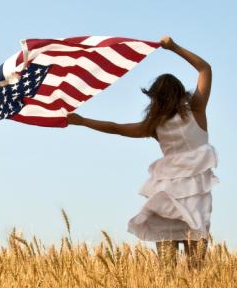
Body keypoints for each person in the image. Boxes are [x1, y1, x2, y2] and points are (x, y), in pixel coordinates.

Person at [67, 36, 218, 268]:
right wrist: (174, 47)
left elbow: (116, 128)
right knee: (197, 270)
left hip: (165, 197)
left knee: (166, 270)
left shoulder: (154, 125)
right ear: (181, 93)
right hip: (195, 200)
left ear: (154, 98)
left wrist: (84, 121)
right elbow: (204, 69)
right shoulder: (195, 110)